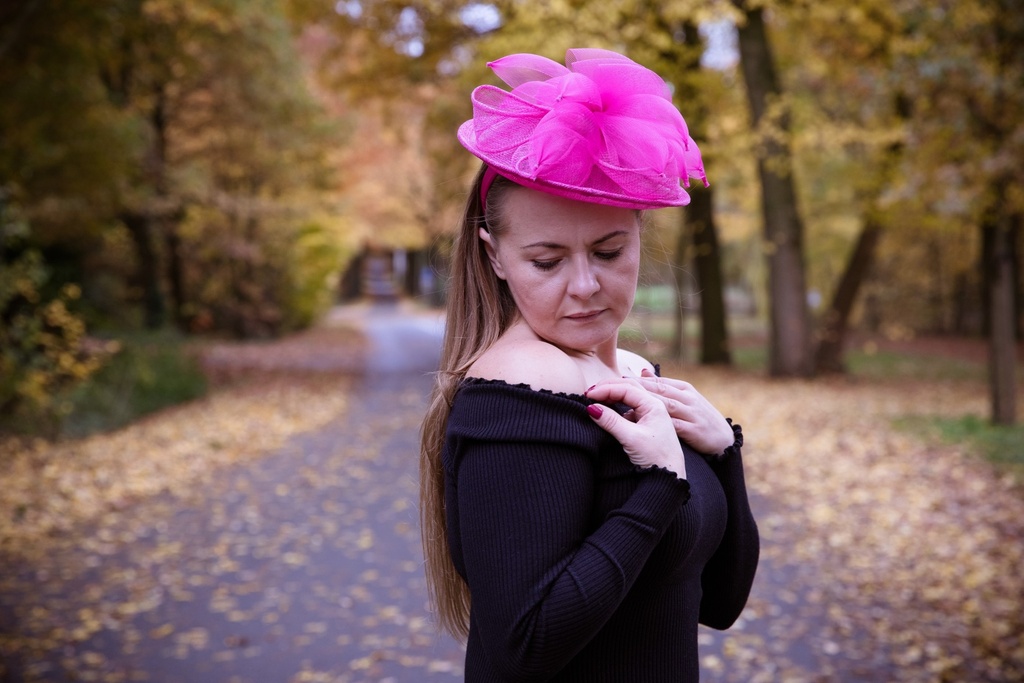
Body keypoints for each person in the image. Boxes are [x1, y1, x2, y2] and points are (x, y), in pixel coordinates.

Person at [419, 48, 759, 682]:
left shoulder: (637, 373)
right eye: (547, 261)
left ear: (638, 235)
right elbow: (525, 646)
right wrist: (661, 486)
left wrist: (722, 454)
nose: (584, 286)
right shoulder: (518, 390)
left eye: (608, 252)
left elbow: (718, 603)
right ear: (495, 256)